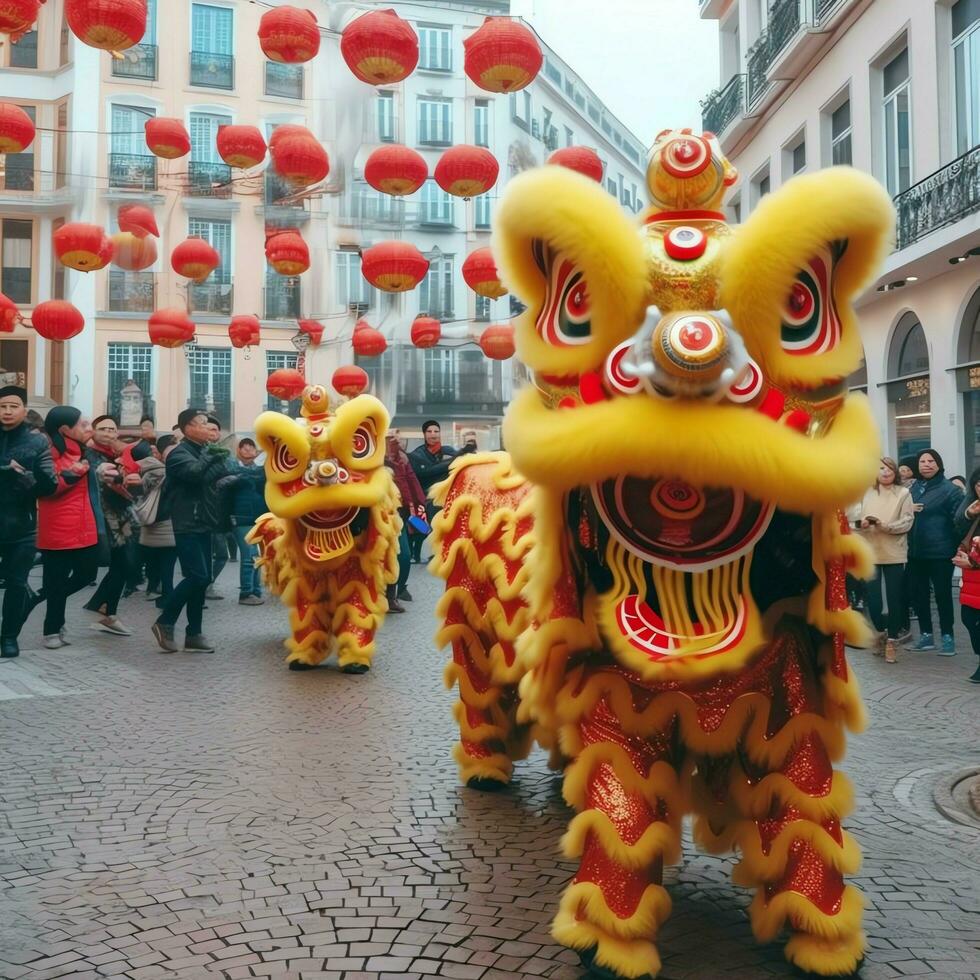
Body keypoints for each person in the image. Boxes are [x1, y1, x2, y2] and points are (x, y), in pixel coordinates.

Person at [151, 409, 231, 654]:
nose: (209, 428)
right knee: (198, 577)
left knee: (200, 579)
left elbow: (217, 475)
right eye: (203, 423)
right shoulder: (178, 454)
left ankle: (194, 634)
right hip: (187, 523)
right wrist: (211, 455)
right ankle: (165, 621)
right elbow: (195, 474)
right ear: (187, 428)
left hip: (204, 521)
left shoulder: (201, 451)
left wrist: (220, 459)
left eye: (209, 424)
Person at [36, 407, 108, 649]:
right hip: (57, 529)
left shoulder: (84, 453)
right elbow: (46, 488)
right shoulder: (50, 452)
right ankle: (51, 629)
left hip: (85, 527)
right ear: (65, 429)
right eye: (83, 424)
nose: (89, 428)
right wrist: (75, 472)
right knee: (56, 581)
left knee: (87, 574)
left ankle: (39, 600)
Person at [0, 387, 57, 658]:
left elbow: (49, 484)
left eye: (13, 406)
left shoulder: (37, 443)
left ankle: (9, 637)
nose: (7, 411)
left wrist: (21, 476)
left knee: (16, 583)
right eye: (2, 406)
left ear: (24, 410)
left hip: (21, 526)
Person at [82, 416, 141, 636]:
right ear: (94, 432)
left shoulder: (114, 455)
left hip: (120, 517)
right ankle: (106, 611)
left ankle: (106, 609)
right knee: (119, 566)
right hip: (103, 518)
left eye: (112, 429)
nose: (108, 432)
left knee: (123, 565)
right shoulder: (90, 455)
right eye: (103, 428)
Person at [856, 457, 914, 664]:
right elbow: (850, 518)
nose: (885, 471)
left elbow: (908, 520)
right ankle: (880, 633)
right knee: (873, 599)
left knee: (894, 597)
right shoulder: (866, 492)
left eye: (889, 468)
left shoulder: (904, 493)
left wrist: (885, 526)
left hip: (894, 551)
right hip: (870, 550)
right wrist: (860, 523)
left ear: (895, 471)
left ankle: (892, 641)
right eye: (881, 468)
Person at [907, 448, 963, 654]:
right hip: (915, 552)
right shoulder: (914, 488)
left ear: (938, 464)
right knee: (919, 595)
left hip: (941, 552)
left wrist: (955, 547)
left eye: (931, 461)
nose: (927, 464)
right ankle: (926, 636)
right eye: (922, 461)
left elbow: (959, 522)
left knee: (943, 596)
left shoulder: (950, 490)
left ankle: (948, 638)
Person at [408, 420, 474, 562]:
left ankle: (442, 553)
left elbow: (462, 460)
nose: (433, 434)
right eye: (429, 431)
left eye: (436, 431)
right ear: (424, 434)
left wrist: (468, 451)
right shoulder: (417, 454)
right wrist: (454, 459)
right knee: (423, 528)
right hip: (425, 497)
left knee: (446, 525)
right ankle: (415, 552)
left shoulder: (448, 451)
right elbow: (427, 471)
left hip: (446, 497)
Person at [385, 428, 427, 611]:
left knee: (403, 555)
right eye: (391, 438)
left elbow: (411, 482)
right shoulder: (372, 458)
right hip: (377, 513)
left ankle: (394, 592)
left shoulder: (404, 459)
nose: (396, 441)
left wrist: (418, 506)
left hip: (400, 514)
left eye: (398, 438)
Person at [135, 434, 177, 607]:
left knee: (154, 561)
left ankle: (154, 589)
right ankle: (167, 596)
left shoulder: (143, 470)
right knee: (167, 564)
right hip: (166, 522)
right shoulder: (164, 471)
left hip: (149, 522)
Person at [228, 437, 266, 605]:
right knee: (248, 555)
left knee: (257, 556)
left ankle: (256, 591)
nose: (249, 450)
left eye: (251, 447)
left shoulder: (261, 470)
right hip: (240, 519)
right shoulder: (232, 468)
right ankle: (245, 593)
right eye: (245, 448)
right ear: (239, 451)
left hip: (258, 518)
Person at [952, 467, 980, 684]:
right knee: (969, 619)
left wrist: (973, 562)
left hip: (974, 569)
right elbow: (957, 531)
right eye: (978, 484)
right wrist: (968, 515)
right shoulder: (972, 508)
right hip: (971, 578)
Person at [205, 415, 230, 600]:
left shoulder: (223, 454)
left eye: (215, 429)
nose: (213, 432)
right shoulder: (201, 453)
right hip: (203, 512)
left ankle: (208, 584)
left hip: (220, 513)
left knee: (221, 554)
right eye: (210, 429)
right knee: (206, 554)